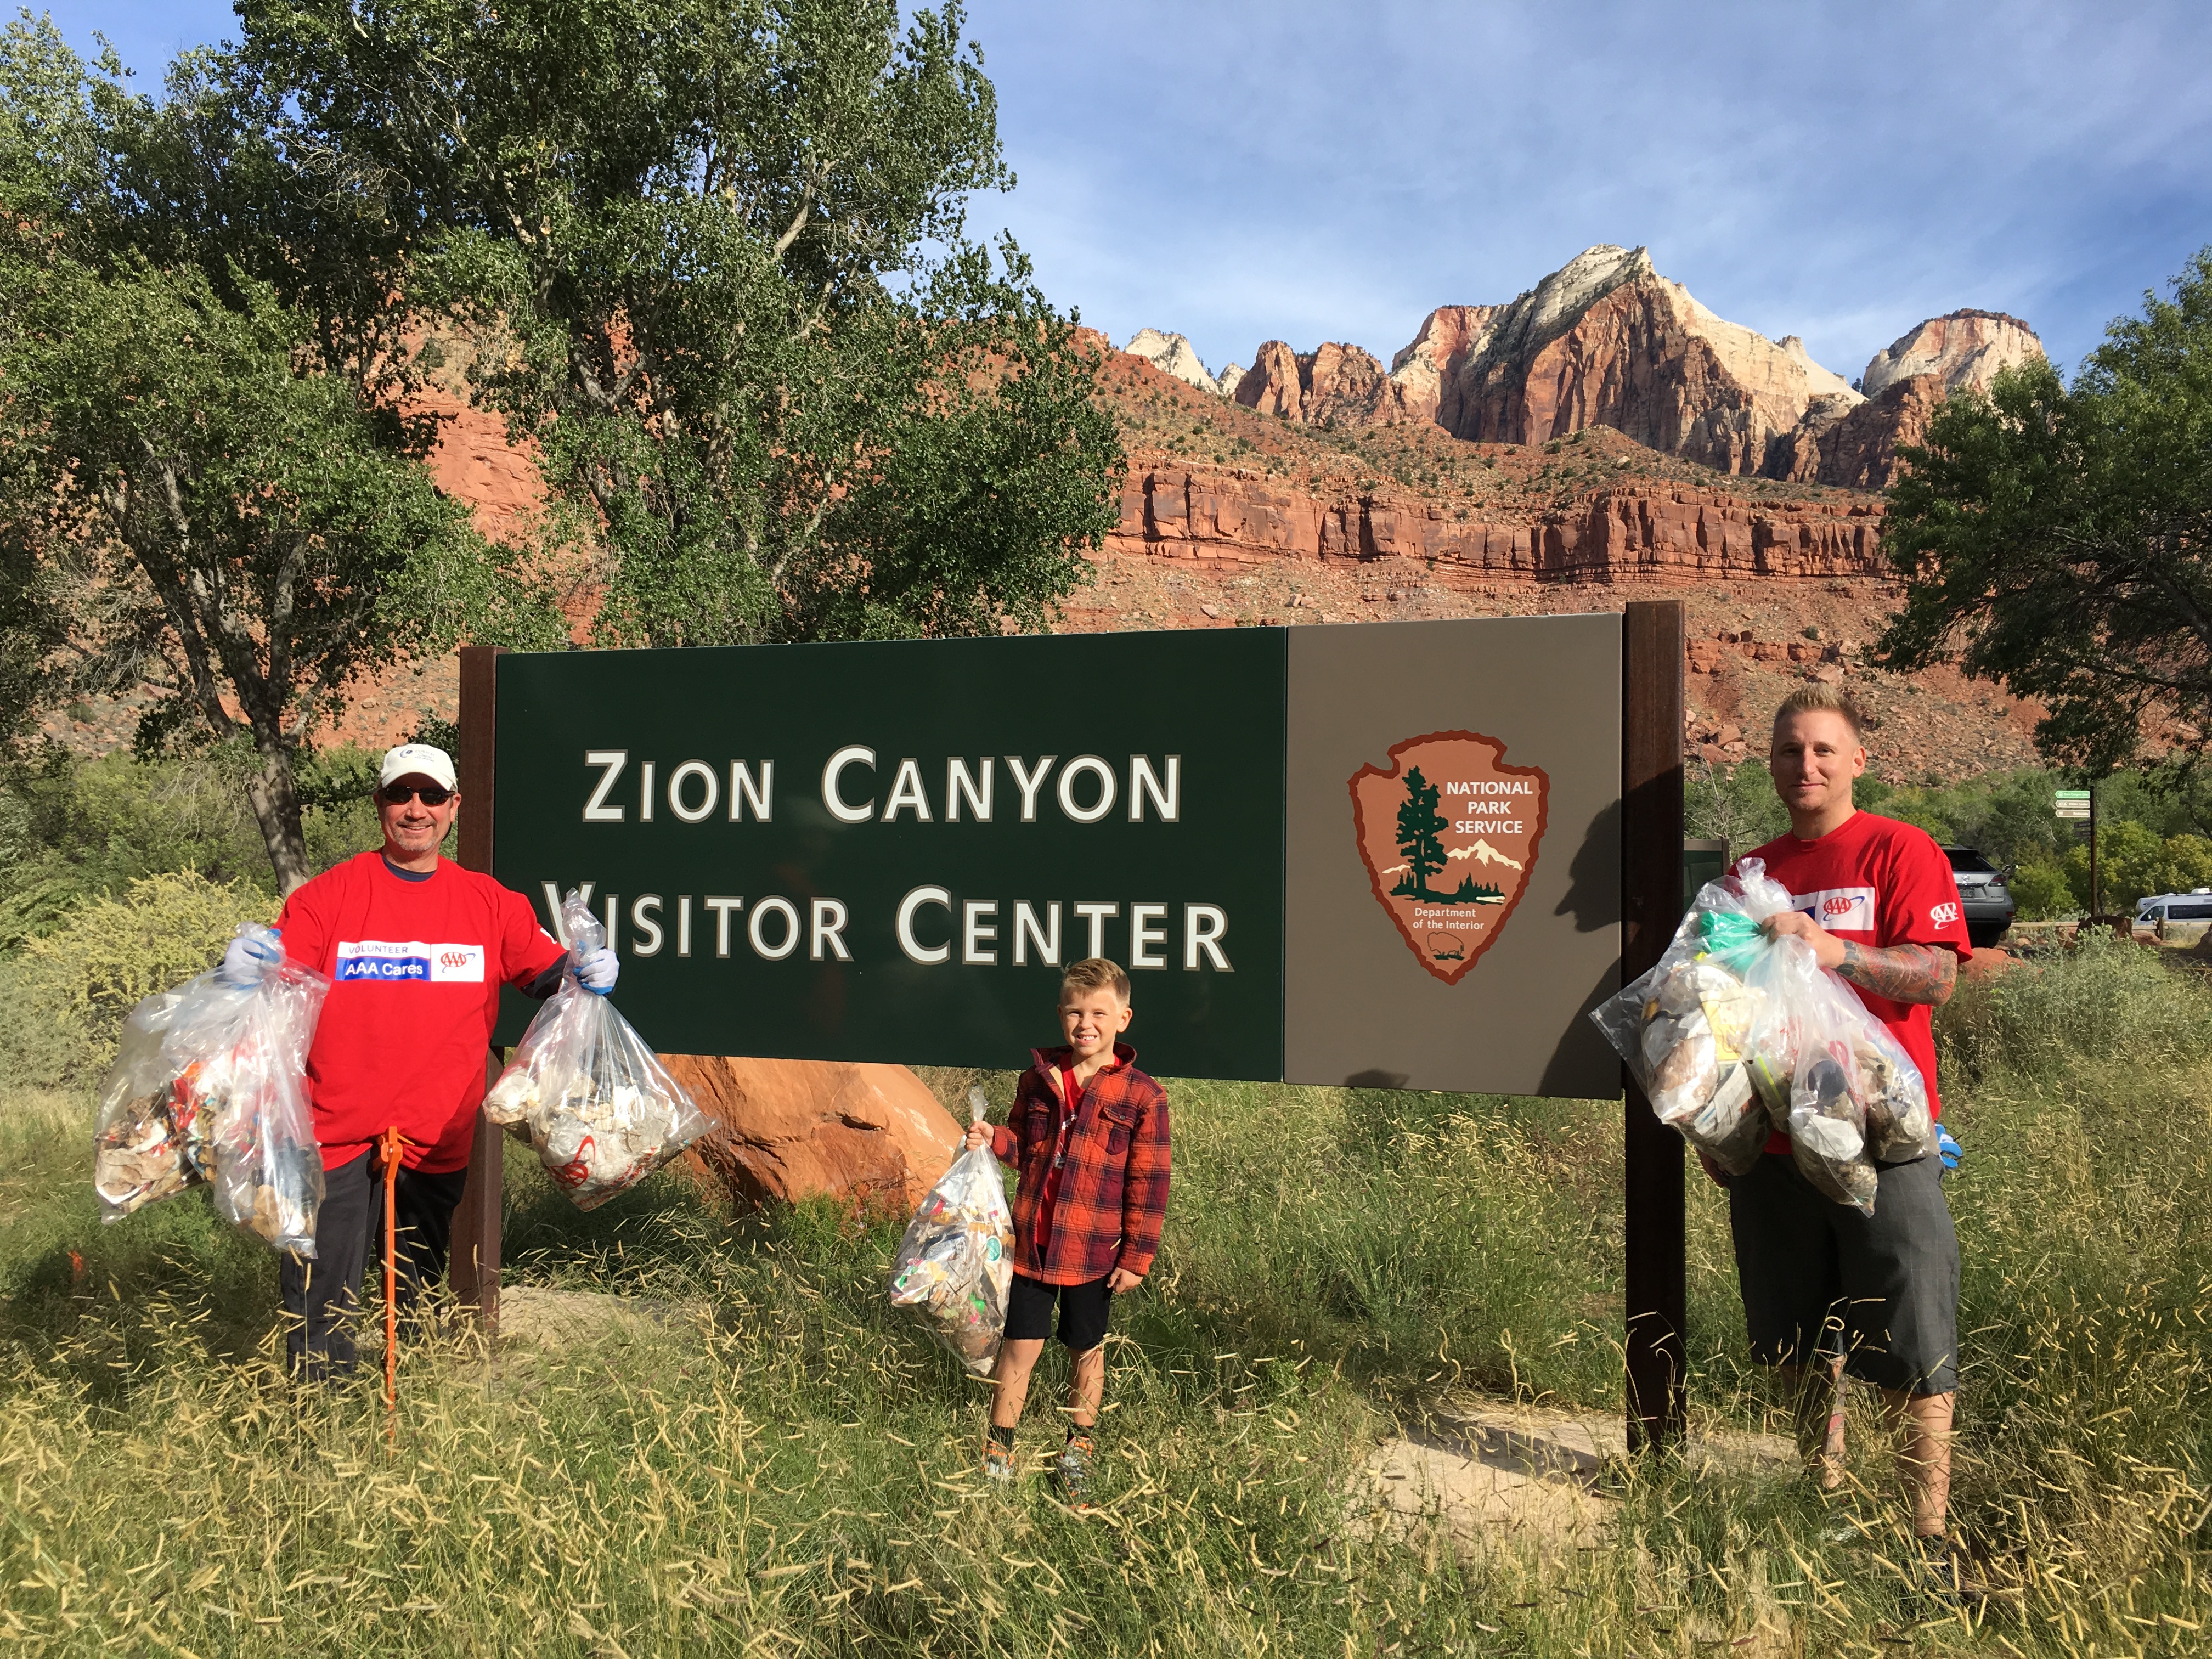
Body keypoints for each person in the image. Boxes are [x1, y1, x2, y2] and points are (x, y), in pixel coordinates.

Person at [221, 742, 618, 1378]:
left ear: (453, 807)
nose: (416, 809)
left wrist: (585, 969)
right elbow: (278, 970)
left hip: (436, 1142)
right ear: (379, 804)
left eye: (431, 796)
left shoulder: (490, 903)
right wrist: (238, 971)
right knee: (321, 1300)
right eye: (402, 795)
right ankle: (318, 1434)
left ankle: (402, 1438)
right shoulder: (329, 898)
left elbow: (545, 973)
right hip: (335, 1137)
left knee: (409, 1301)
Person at [1724, 685, 1970, 1581]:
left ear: (1857, 758)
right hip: (1778, 1150)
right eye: (1790, 750)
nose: (1807, 765)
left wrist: (1835, 952)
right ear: (1771, 761)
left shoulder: (1899, 849)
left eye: (1824, 749)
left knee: (1914, 1346)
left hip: (1882, 1145)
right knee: (1793, 1346)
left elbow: (1934, 978)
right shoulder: (1750, 872)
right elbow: (1723, 1004)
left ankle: (1925, 1539)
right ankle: (1813, 1501)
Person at [962, 957, 1171, 1504]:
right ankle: (999, 1450)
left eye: (1100, 1012)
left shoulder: (1143, 1097)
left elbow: (1149, 1185)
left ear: (1123, 1018)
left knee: (1087, 1348)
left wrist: (1137, 1257)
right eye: (1076, 1011)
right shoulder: (1036, 1081)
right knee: (1018, 1350)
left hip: (1094, 1254)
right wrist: (991, 1139)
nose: (1087, 1023)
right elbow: (1021, 1148)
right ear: (1060, 1015)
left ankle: (1078, 1448)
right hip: (1031, 1247)